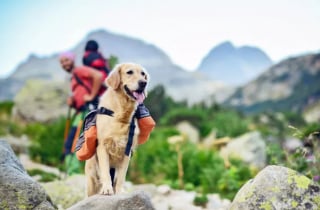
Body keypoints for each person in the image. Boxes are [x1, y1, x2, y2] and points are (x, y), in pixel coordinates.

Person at [59, 51, 104, 175]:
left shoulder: (79, 70)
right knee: (73, 141)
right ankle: (74, 172)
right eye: (61, 62)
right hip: (80, 111)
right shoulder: (73, 77)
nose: (64, 64)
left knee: (73, 142)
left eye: (66, 60)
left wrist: (91, 95)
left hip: (86, 111)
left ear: (73, 60)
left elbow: (98, 76)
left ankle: (72, 173)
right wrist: (72, 102)